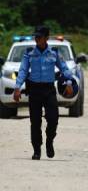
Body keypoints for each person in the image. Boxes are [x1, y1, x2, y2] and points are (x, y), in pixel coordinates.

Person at [14, 26, 74, 160]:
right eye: (36, 37)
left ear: (47, 38)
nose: (37, 39)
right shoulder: (29, 52)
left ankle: (49, 141)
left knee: (53, 119)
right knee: (35, 121)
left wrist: (69, 83)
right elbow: (23, 70)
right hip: (34, 90)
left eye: (40, 37)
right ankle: (36, 149)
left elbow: (64, 69)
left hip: (49, 90)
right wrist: (17, 87)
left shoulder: (54, 53)